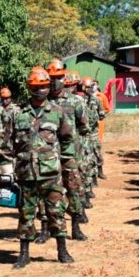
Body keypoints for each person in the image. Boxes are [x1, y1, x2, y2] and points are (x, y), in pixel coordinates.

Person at [8, 67, 76, 268]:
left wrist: (67, 166)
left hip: (51, 173)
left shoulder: (57, 112)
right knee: (25, 213)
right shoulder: (18, 113)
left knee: (56, 211)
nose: (41, 91)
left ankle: (62, 250)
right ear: (29, 88)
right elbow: (6, 144)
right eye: (37, 87)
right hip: (26, 173)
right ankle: (24, 254)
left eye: (45, 86)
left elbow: (67, 140)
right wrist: (5, 171)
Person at [47, 61, 89, 241]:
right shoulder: (43, 100)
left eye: (58, 78)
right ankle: (45, 228)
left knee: (73, 189)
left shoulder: (76, 101)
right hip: (47, 154)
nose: (55, 82)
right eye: (52, 78)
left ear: (64, 78)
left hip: (70, 153)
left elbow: (84, 126)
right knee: (47, 190)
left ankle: (75, 226)